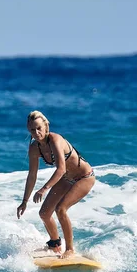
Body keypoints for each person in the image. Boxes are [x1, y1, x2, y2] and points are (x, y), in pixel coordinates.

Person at [17, 110, 95, 258]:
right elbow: (32, 174)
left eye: (39, 128)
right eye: (32, 129)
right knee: (44, 213)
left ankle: (70, 249)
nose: (36, 132)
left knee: (61, 209)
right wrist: (24, 201)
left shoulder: (55, 140)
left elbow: (61, 168)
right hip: (66, 178)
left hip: (84, 177)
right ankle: (55, 244)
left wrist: (44, 188)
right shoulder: (34, 147)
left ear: (46, 126)